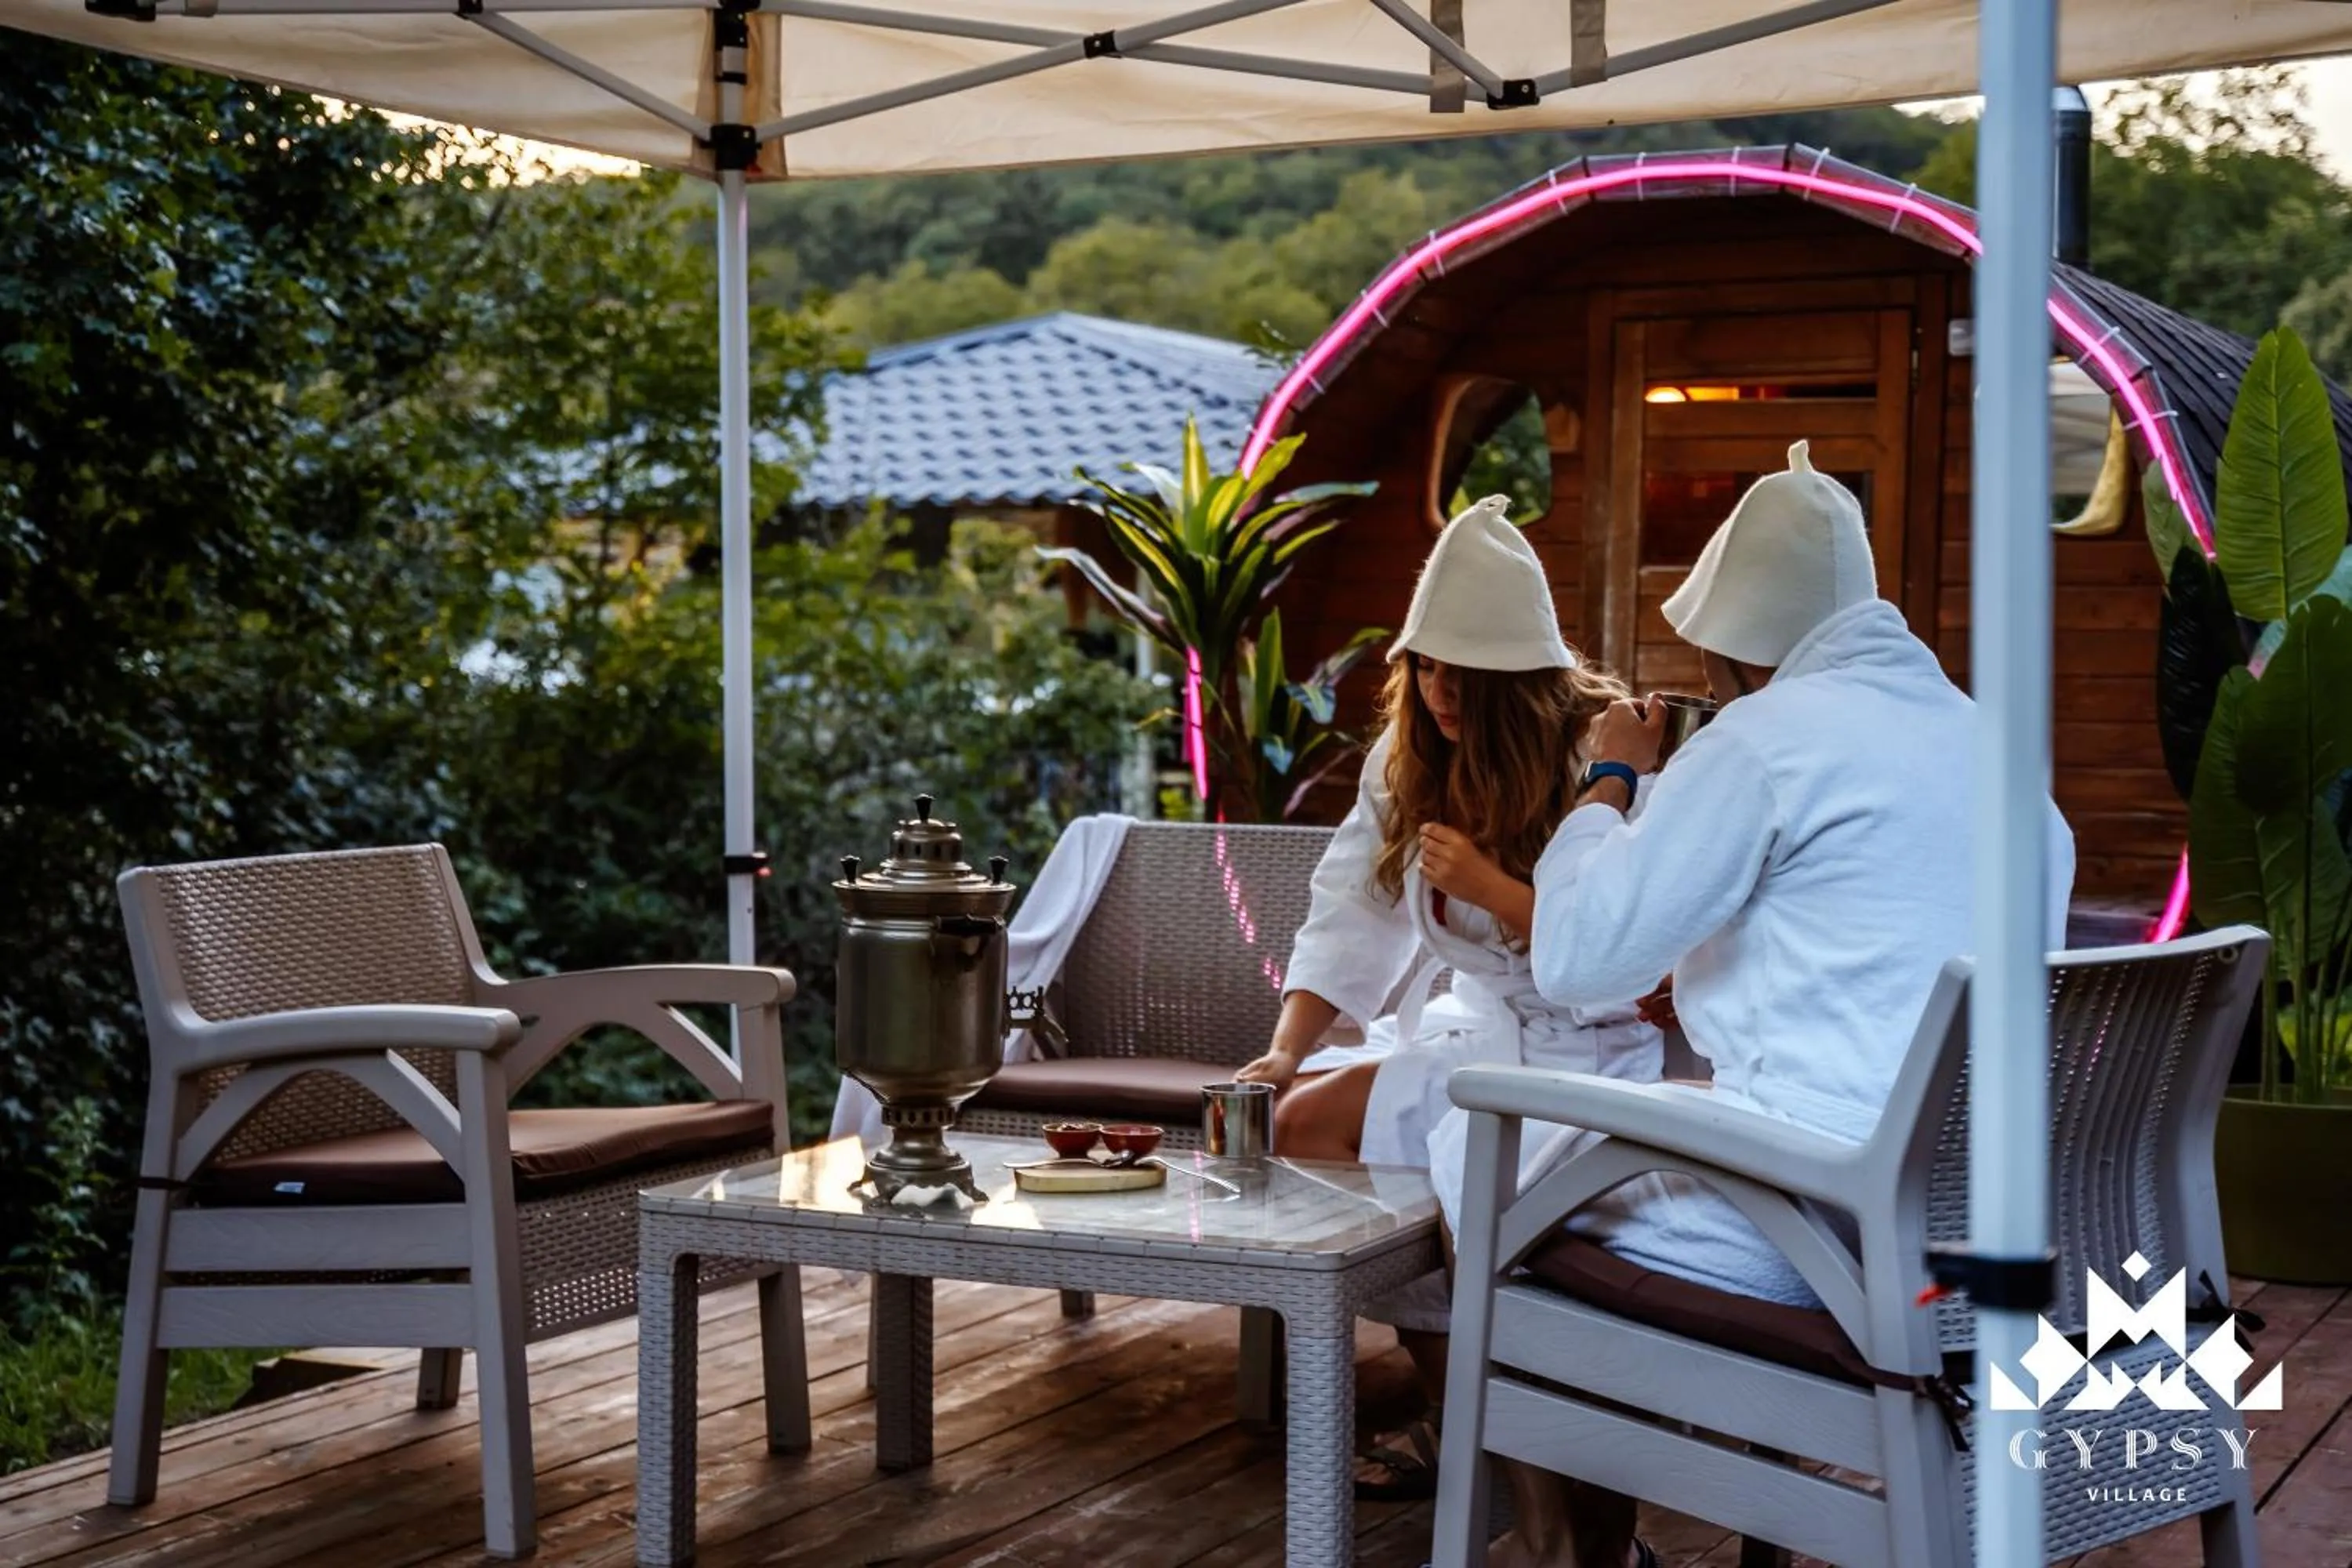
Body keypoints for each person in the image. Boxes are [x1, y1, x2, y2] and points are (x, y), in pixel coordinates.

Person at [1450, 441, 2077, 1568]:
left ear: (1737, 648)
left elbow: (1576, 960)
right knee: (1625, 1150)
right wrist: (1708, 997)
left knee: (1482, 1172)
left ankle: (1572, 1550)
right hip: (1992, 1221)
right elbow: (1876, 961)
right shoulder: (2000, 754)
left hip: (1823, 1232)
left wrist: (1612, 778)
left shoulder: (1762, 740)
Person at [1232, 493, 1661, 1500]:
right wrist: (1288, 1048)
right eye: (1425, 665)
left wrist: (1493, 890)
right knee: (1308, 1123)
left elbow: (1627, 959)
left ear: (1517, 674)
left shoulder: (1596, 758)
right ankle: (1455, 1411)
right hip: (1482, 1036)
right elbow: (1350, 901)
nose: (1439, 690)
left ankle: (1549, 1455)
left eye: (1462, 670)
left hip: (1592, 1052)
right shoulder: (1409, 756)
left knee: (1484, 1190)